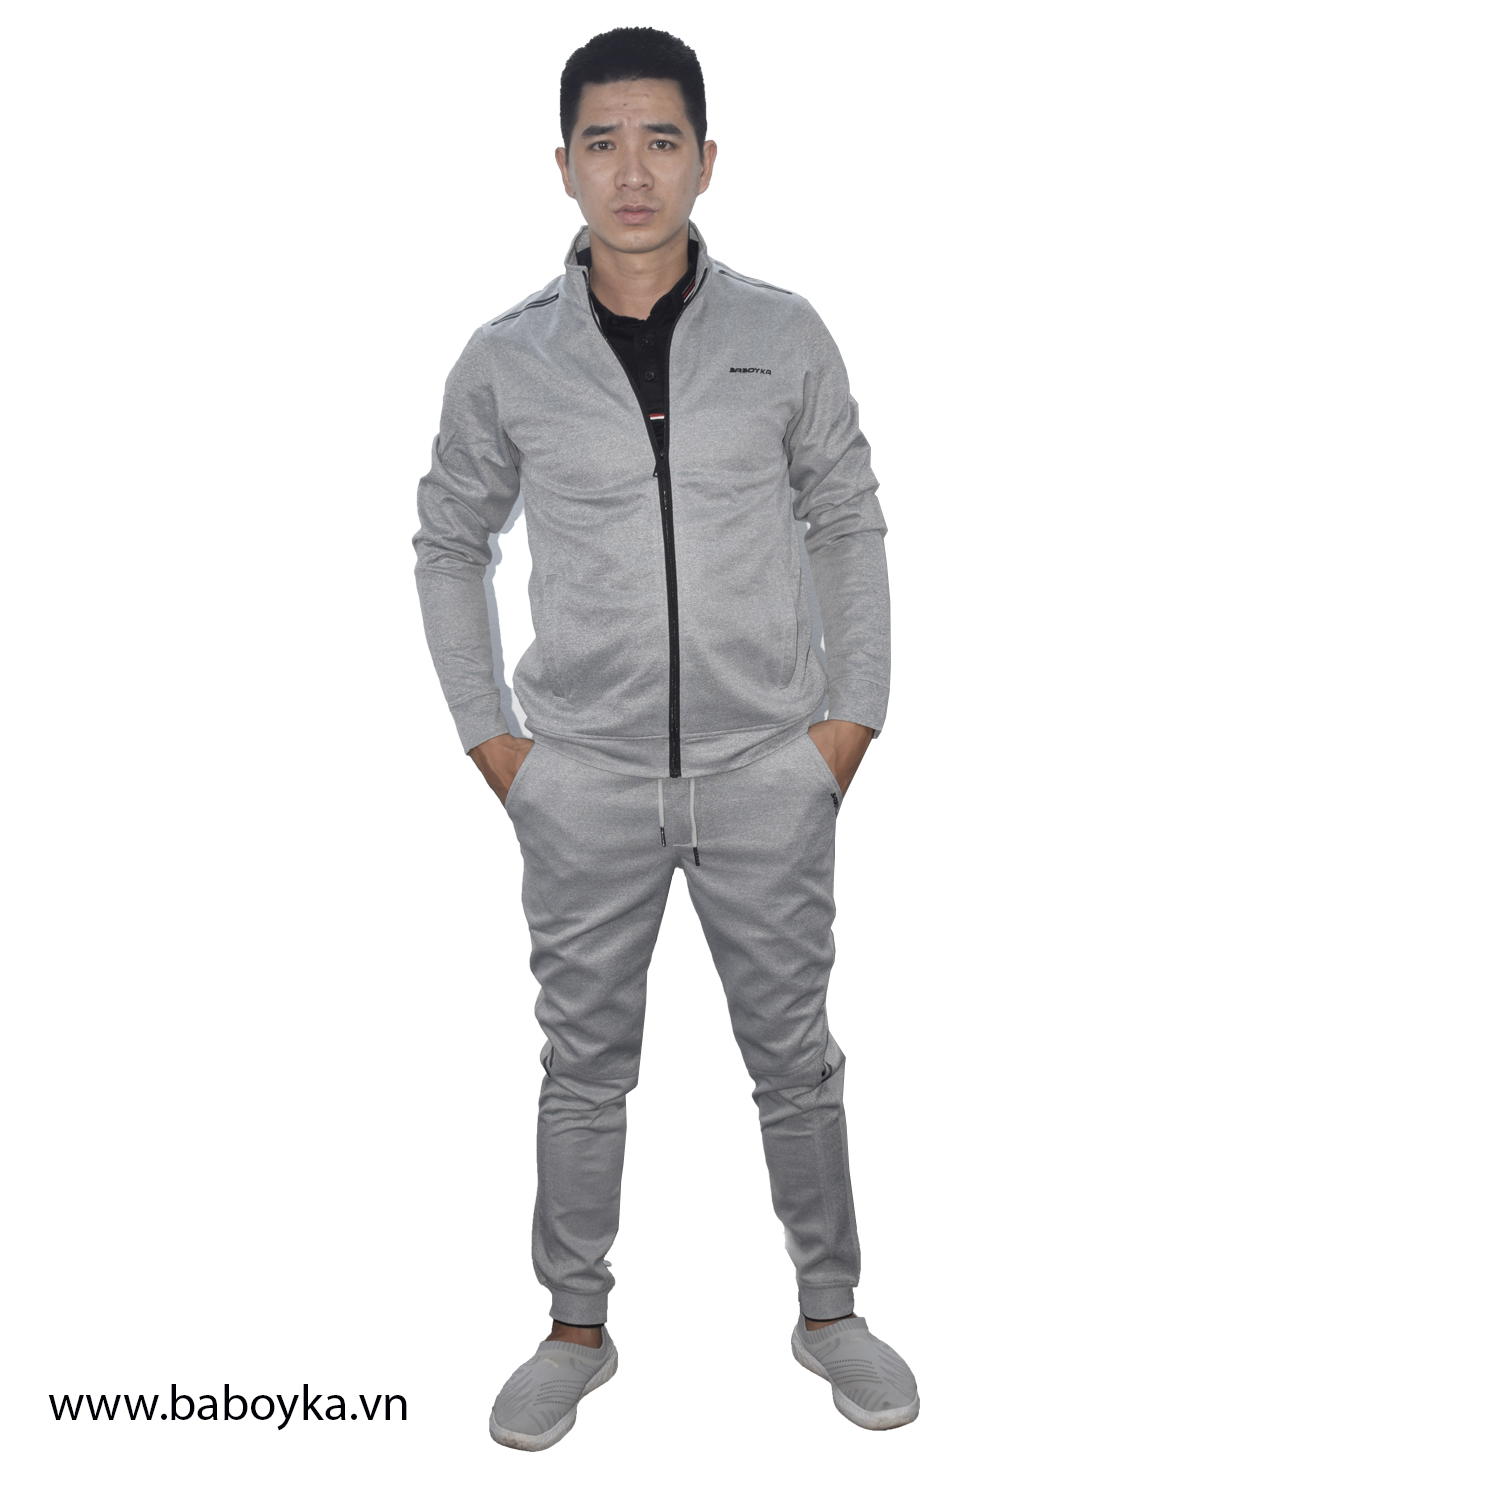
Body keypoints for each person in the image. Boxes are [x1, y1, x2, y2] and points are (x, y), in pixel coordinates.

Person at [413, 27, 917, 1451]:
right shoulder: (506, 359)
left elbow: (847, 517)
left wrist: (849, 723)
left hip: (769, 772)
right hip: (580, 782)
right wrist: (495, 744)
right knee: (582, 1068)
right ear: (563, 165)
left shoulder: (785, 335)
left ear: (705, 160)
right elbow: (448, 541)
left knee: (796, 1059)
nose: (631, 171)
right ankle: (574, 1329)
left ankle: (830, 1312)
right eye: (603, 143)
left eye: (660, 141)